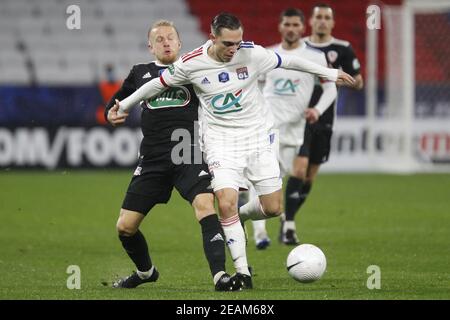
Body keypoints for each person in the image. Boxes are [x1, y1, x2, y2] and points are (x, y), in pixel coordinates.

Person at [116, 13, 355, 289]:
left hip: (258, 137)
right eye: (228, 44)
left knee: (273, 208)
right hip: (220, 141)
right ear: (213, 37)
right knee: (226, 201)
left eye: (237, 43)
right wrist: (124, 105)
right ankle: (242, 273)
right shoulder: (191, 63)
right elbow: (156, 84)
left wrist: (330, 73)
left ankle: (240, 216)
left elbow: (290, 61)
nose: (234, 49)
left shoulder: (251, 54)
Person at [105, 20, 241, 291]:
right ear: (150, 46)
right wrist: (112, 113)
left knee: (205, 207)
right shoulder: (139, 73)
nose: (166, 42)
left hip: (187, 151)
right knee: (125, 227)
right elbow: (116, 105)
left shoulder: (195, 69)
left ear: (180, 44)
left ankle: (220, 277)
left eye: (170, 38)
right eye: (159, 39)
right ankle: (146, 272)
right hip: (153, 159)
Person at [248, 8, 337, 249]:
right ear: (280, 26)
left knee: (276, 181)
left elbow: (331, 88)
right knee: (261, 178)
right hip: (266, 128)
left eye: (295, 24)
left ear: (302, 27)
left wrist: (317, 110)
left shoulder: (316, 57)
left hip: (294, 132)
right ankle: (259, 233)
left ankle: (251, 219)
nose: (291, 28)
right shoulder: (267, 55)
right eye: (287, 24)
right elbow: (253, 85)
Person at [278, 4, 364, 244]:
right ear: (311, 22)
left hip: (325, 118)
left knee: (310, 176)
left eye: (327, 18)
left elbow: (359, 82)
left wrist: (338, 79)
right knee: (299, 168)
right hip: (300, 117)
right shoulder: (300, 48)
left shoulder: (342, 49)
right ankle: (289, 226)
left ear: (333, 23)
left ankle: (287, 215)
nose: (322, 22)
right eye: (319, 17)